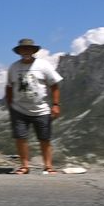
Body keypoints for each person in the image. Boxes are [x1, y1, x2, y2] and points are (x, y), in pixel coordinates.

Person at [5, 37, 63, 174]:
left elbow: (54, 85)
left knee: (45, 138)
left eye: (28, 49)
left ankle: (48, 166)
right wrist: (10, 104)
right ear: (19, 52)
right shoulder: (13, 67)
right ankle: (25, 166)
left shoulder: (43, 65)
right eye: (23, 49)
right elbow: (8, 86)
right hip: (19, 109)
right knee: (20, 137)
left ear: (33, 51)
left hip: (41, 109)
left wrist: (55, 104)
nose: (26, 51)